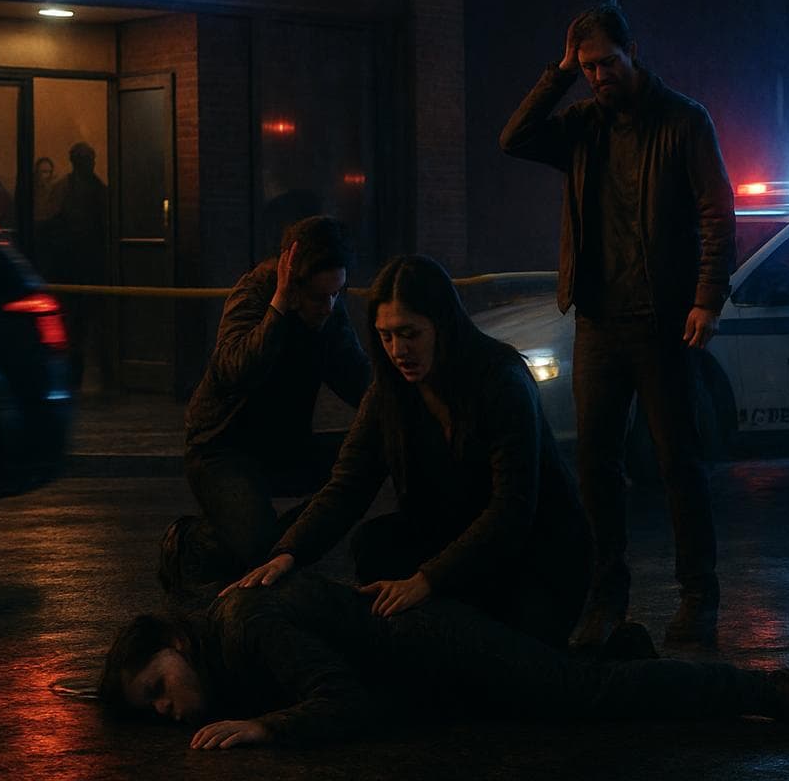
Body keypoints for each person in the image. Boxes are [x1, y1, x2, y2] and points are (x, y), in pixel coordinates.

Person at [499, 0, 736, 648]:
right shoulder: (581, 125)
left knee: (677, 462)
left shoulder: (684, 121)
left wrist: (707, 297)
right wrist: (557, 73)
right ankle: (606, 592)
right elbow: (514, 137)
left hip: (661, 322)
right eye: (588, 67)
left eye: (606, 62)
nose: (599, 75)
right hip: (599, 322)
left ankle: (698, 593)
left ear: (632, 54)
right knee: (596, 465)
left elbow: (717, 209)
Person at [235, 255, 593, 649]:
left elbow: (512, 508)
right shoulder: (390, 391)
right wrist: (288, 552)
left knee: (512, 660)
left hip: (535, 553)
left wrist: (427, 580)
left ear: (442, 325)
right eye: (386, 336)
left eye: (409, 333)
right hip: (458, 537)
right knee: (376, 544)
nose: (397, 349)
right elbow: (348, 485)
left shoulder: (500, 380)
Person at [97, 572, 789, 748]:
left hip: (441, 648)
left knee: (584, 696)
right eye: (151, 706)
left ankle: (759, 687)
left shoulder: (246, 627)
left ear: (179, 645)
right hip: (432, 669)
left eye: (158, 686)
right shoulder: (218, 642)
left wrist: (268, 728)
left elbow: (342, 698)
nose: (166, 708)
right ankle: (617, 646)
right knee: (564, 693)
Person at [172, 216, 371, 595]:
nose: (328, 307)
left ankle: (276, 535)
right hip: (222, 448)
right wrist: (278, 310)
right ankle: (193, 540)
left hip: (285, 446)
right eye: (319, 297)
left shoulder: (327, 307)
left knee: (369, 456)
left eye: (337, 294)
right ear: (291, 283)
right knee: (264, 554)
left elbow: (356, 375)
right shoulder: (255, 295)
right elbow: (233, 370)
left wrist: (403, 411)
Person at [48, 141, 110, 388]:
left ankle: (93, 373)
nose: (88, 163)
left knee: (88, 323)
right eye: (84, 159)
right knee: (78, 323)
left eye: (89, 158)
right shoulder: (70, 189)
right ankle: (79, 374)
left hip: (88, 264)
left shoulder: (93, 190)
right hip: (73, 264)